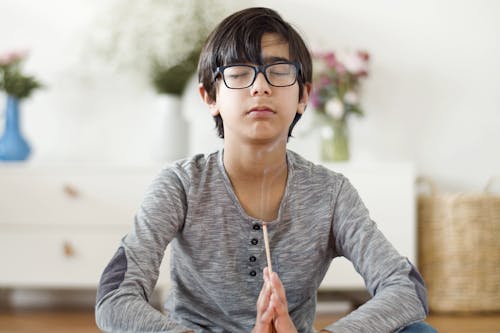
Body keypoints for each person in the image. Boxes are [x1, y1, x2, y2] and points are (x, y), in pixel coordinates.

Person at [95, 7, 437, 333]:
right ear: (209, 96)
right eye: (240, 73)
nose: (260, 86)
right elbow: (114, 297)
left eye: (279, 70)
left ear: (303, 95)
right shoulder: (181, 185)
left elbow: (405, 287)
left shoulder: (331, 193)